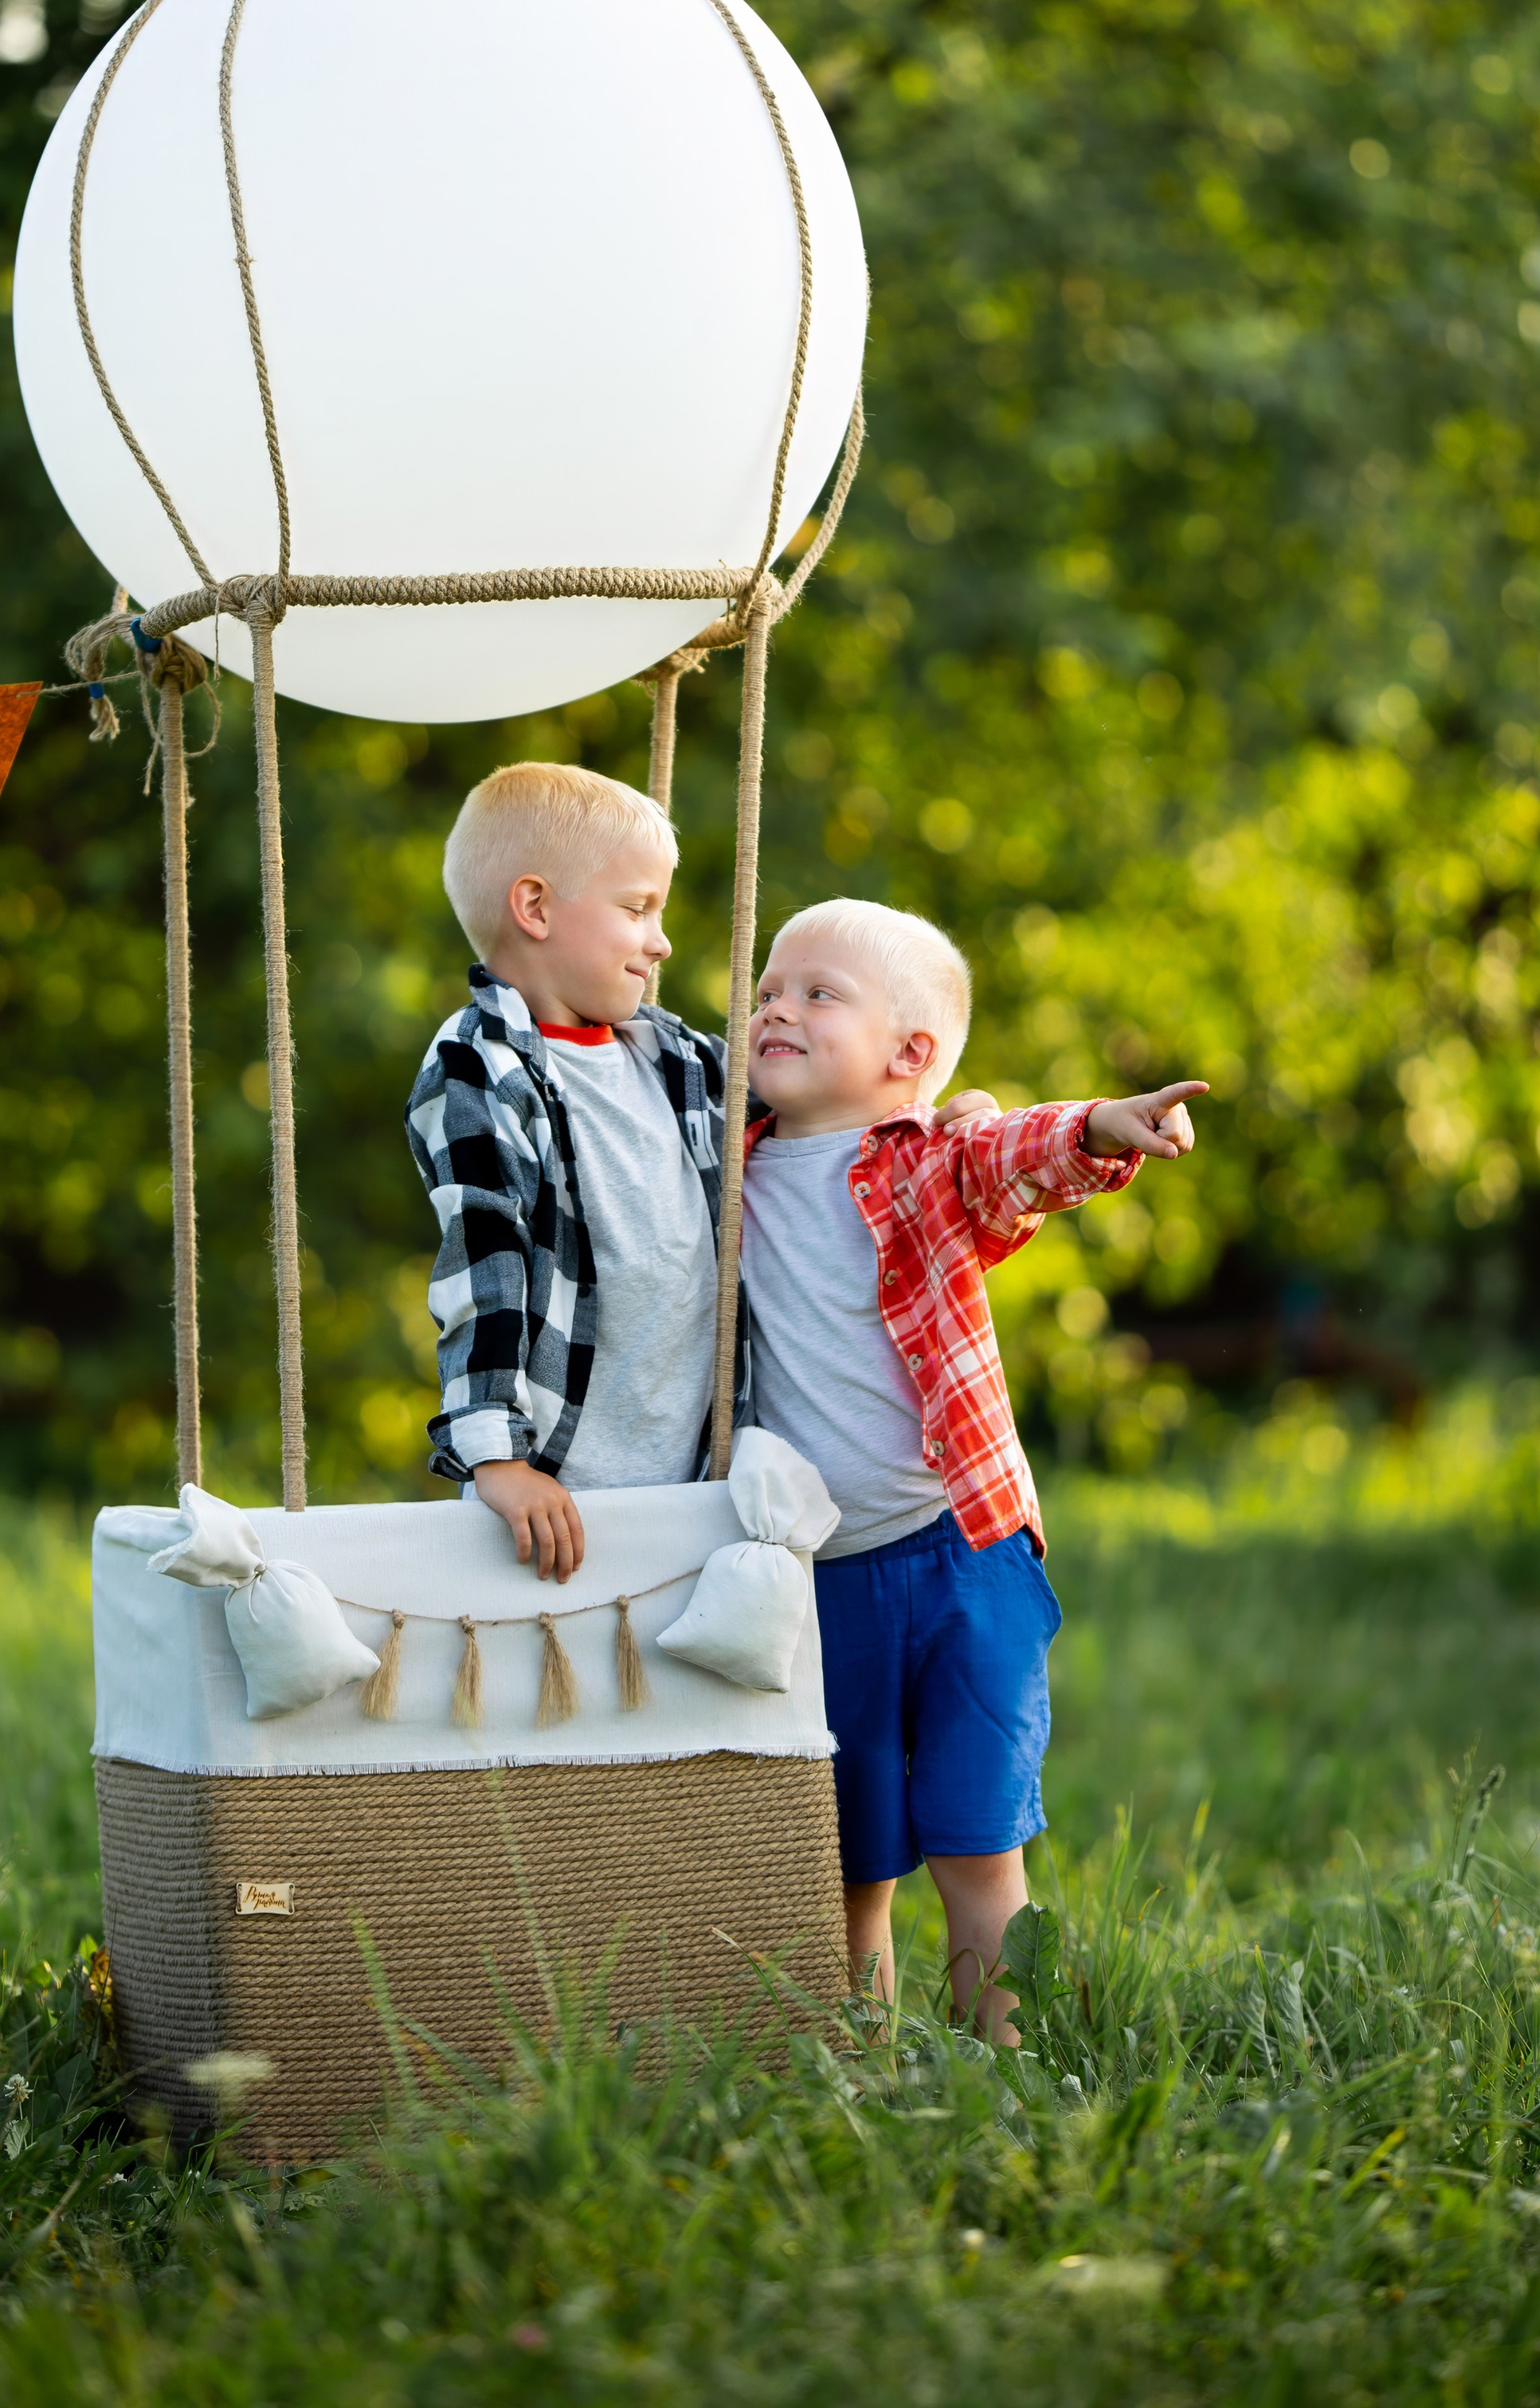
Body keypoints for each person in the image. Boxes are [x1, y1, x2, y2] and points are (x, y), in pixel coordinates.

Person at [739, 895, 1206, 2042]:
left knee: (976, 1839)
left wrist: (1100, 1126)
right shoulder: (725, 1166)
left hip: (961, 1552)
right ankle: (857, 2067)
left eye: (816, 992)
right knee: (845, 1856)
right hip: (822, 1571)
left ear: (909, 1057)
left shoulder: (926, 1161)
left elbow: (1015, 1158)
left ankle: (1007, 2063)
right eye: (765, 990)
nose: (775, 1009)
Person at [407, 764, 1002, 1580]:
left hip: (696, 1490)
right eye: (636, 908)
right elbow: (486, 1259)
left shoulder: (675, 1060)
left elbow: (824, 1108)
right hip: (552, 1483)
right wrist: (495, 1457)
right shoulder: (480, 1071)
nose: (660, 941)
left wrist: (941, 1117)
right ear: (535, 908)